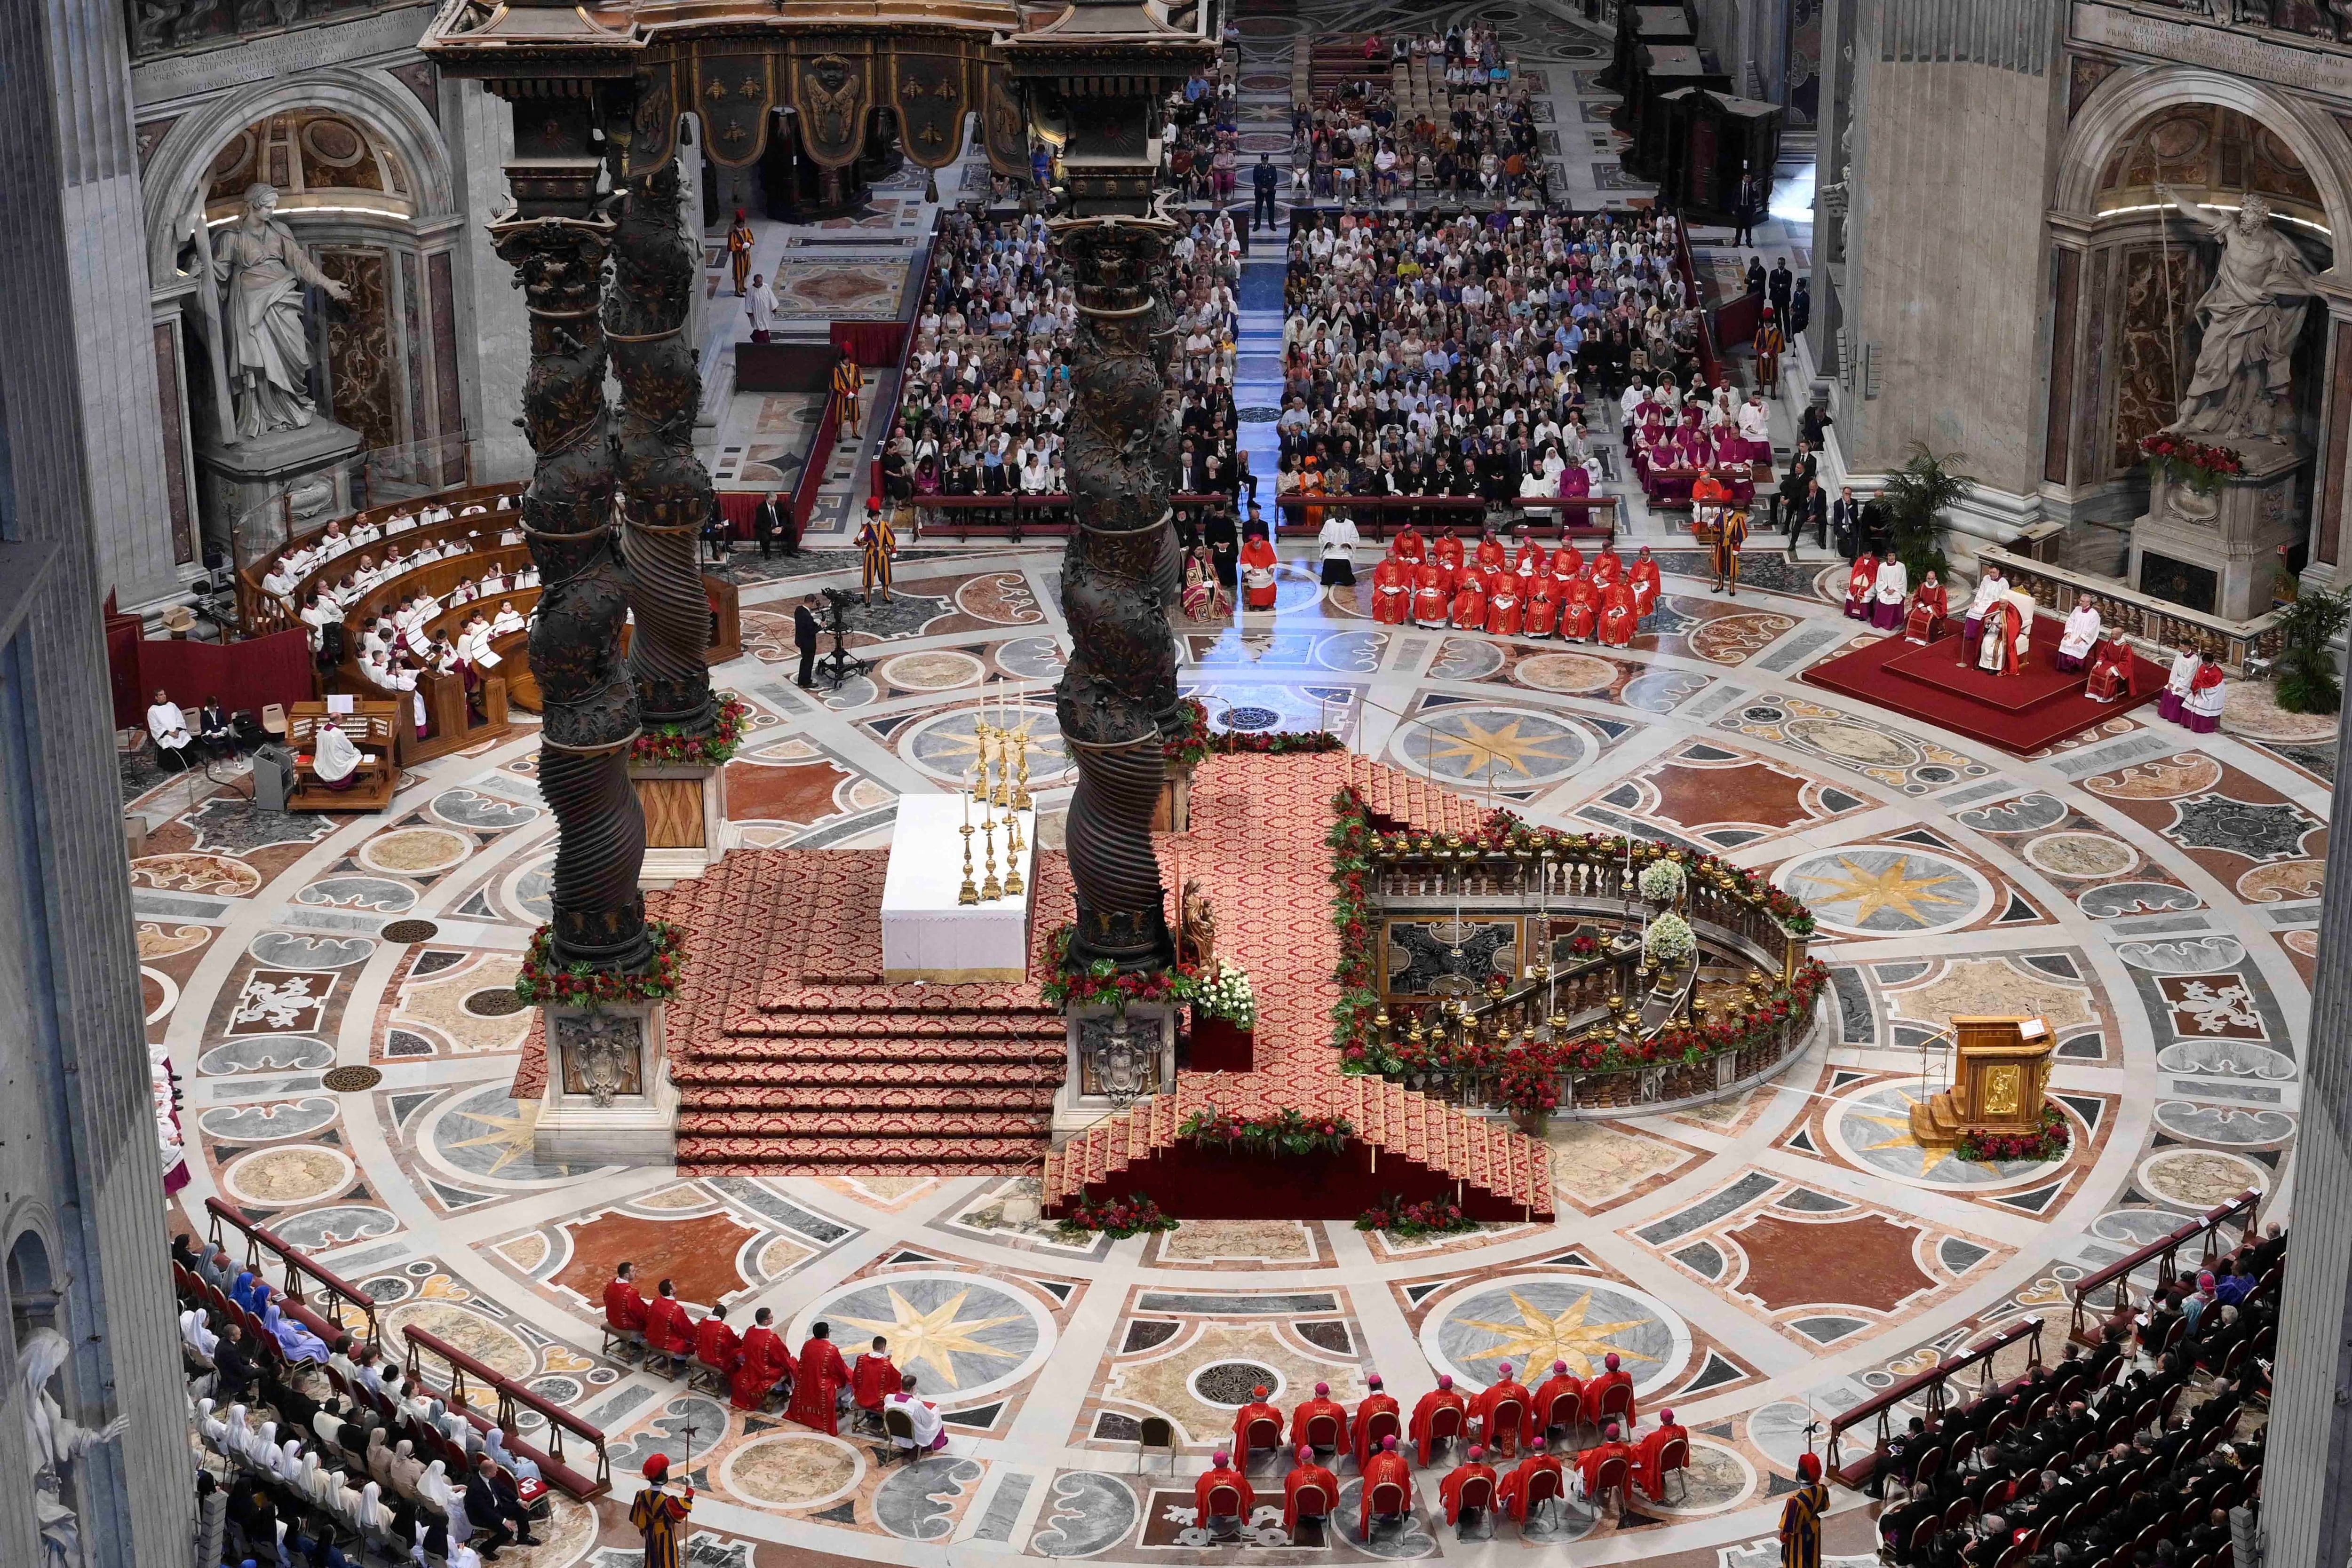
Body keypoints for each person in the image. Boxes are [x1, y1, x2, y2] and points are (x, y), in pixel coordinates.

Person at [464, 1455, 536, 1560]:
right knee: (507, 1532)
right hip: (482, 1516)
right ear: (489, 1473)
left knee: (521, 1510)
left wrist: (519, 1501)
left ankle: (523, 1537)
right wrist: (504, 1521)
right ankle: (485, 1548)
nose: (497, 1471)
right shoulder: (476, 1488)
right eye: (495, 1470)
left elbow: (503, 1489)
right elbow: (485, 1511)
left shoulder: (491, 1477)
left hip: (496, 1507)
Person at [787, 1321, 850, 1435]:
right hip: (823, 1389)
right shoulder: (832, 1350)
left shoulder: (807, 1345)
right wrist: (842, 1382)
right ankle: (845, 1405)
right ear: (827, 1334)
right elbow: (840, 1371)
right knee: (850, 1379)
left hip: (805, 1385)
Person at [631, 1454, 693, 1568]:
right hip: (665, 1533)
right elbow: (683, 1508)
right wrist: (690, 1489)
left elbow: (638, 1518)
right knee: (668, 1559)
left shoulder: (642, 1495)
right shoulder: (667, 1501)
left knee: (652, 1558)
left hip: (650, 1532)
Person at [731, 1307, 795, 1412]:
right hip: (764, 1372)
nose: (773, 1318)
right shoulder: (771, 1338)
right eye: (771, 1317)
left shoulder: (750, 1330)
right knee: (791, 1364)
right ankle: (781, 1389)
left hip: (750, 1367)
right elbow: (782, 1356)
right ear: (766, 1321)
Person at [1470, 1362, 1531, 1458]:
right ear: (1512, 1375)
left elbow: (1480, 1407)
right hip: (1515, 1423)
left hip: (1495, 1425)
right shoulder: (1522, 1391)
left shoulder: (1490, 1393)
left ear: (1498, 1374)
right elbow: (1528, 1408)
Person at [1779, 1451, 1828, 1568]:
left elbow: (1786, 1532)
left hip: (1798, 1545)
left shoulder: (1795, 1502)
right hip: (1814, 1537)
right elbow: (1825, 1507)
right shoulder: (1822, 1491)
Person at [1192, 1448, 1254, 1538]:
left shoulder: (1206, 1478)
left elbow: (1199, 1491)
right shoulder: (1238, 1478)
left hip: (1212, 1510)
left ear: (1213, 1462)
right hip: (1234, 1510)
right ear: (1228, 1462)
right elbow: (1247, 1493)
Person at [1498, 1447, 1565, 1525]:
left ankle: (1510, 1507)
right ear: (1546, 1446)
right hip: (1548, 1492)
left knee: (1510, 1477)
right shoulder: (1555, 1462)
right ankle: (1536, 1502)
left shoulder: (1527, 1465)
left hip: (1530, 1494)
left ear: (1533, 1447)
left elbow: (1519, 1480)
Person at [1281, 1444, 1337, 1536]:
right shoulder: (1325, 1473)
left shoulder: (1293, 1476)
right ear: (1314, 1457)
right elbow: (1333, 1488)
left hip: (1301, 1512)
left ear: (1300, 1458)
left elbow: (1288, 1490)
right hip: (1322, 1512)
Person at [885, 1371, 948, 1453]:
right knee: (936, 1412)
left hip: (895, 1433)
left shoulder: (889, 1398)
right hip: (915, 1435)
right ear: (913, 1388)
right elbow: (928, 1422)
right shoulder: (916, 1404)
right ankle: (939, 1442)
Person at [1632, 1408, 1688, 1498]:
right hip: (1676, 1462)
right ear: (1673, 1417)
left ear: (1661, 1420)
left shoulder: (1655, 1437)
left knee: (1635, 1454)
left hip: (1659, 1467)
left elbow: (1642, 1452)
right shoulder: (1683, 1430)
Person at [1440, 1445, 1499, 1528]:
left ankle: (1447, 1507)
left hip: (1461, 1502)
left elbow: (1450, 1487)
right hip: (1482, 1500)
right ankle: (1481, 1507)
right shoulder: (1490, 1472)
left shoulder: (1459, 1473)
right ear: (1481, 1457)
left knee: (1447, 1481)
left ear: (1468, 1456)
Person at [1350, 1375, 1400, 1471]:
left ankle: (1369, 1449)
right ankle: (1384, 1444)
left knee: (1355, 1426)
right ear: (1382, 1385)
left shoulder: (1365, 1405)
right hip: (1388, 1432)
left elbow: (1360, 1423)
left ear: (1370, 1387)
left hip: (1371, 1436)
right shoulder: (1392, 1402)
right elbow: (1396, 1416)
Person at [1963, 566, 2008, 661]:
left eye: (1994, 572)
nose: (1992, 575)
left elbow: (2003, 597)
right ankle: (1971, 634)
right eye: (1990, 572)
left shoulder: (2004, 583)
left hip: (1993, 604)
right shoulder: (1986, 579)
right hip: (1983, 602)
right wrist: (1976, 601)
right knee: (1973, 611)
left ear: (1999, 572)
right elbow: (1981, 591)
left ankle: (1980, 634)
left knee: (1985, 615)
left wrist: (1994, 607)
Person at [851, 1335, 898, 1427]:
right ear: (883, 1348)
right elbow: (895, 1383)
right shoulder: (887, 1366)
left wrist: (886, 1362)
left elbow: (856, 1378)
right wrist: (887, 1363)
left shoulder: (861, 1359)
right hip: (878, 1403)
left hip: (861, 1398)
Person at [857, 500, 896, 605]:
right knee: (869, 577)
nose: (876, 517)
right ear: (871, 516)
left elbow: (890, 539)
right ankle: (868, 598)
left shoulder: (884, 525)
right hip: (871, 554)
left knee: (886, 576)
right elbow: (860, 543)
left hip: (883, 553)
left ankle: (886, 595)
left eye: (877, 515)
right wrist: (861, 538)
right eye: (874, 516)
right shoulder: (866, 527)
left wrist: (893, 550)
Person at [311, 719, 364, 792]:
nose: (342, 721)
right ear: (337, 720)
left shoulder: (323, 728)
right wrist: (354, 751)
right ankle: (359, 780)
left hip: (323, 756)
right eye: (341, 719)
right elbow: (348, 748)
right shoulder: (338, 733)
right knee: (357, 755)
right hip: (336, 760)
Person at [148, 689, 194, 771]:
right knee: (169, 741)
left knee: (186, 737)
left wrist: (178, 730)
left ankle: (188, 763)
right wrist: (169, 733)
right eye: (161, 695)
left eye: (164, 694)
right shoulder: (152, 711)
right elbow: (155, 727)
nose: (164, 696)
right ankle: (175, 767)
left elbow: (179, 718)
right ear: (156, 698)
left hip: (177, 731)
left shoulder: (172, 705)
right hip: (166, 734)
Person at [2056, 596, 2103, 673]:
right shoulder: (2077, 610)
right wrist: (2068, 632)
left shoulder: (2094, 614)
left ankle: (2074, 667)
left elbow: (2092, 629)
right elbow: (2070, 621)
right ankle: (2063, 666)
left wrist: (2082, 638)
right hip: (2073, 633)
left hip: (2084, 637)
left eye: (2083, 601)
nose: (2080, 602)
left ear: (2088, 603)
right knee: (2066, 642)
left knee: (2077, 645)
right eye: (2080, 600)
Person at [2086, 631, 2136, 702]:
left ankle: (2107, 696)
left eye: (2113, 634)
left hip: (2119, 667)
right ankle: (2094, 693)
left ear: (2119, 635)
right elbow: (2104, 653)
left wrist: (2113, 670)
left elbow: (2126, 662)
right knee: (2095, 670)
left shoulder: (2126, 648)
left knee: (2107, 675)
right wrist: (2099, 662)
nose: (2111, 635)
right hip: (2108, 663)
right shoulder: (2111, 642)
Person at [2160, 641, 2202, 723]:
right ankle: (2165, 714)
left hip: (2187, 683)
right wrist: (2171, 682)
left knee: (2178, 695)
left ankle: (2174, 717)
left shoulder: (2195, 660)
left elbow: (2191, 676)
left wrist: (2182, 686)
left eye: (2181, 647)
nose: (2179, 648)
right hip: (2177, 679)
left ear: (2187, 647)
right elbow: (2174, 669)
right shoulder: (2179, 655)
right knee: (2167, 689)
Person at [1317, 507, 1359, 587]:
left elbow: (1355, 537)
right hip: (1331, 550)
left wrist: (1348, 543)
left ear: (1345, 514)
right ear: (1334, 514)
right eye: (1338, 513)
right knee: (1328, 560)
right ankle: (1328, 580)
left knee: (1345, 561)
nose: (1339, 514)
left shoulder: (1350, 524)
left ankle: (1346, 580)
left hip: (1344, 550)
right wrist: (1327, 543)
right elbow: (1323, 536)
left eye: (1341, 513)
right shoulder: (1329, 523)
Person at [1712, 508, 1749, 597]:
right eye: (1725, 507)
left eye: (1728, 507)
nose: (1726, 509)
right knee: (1719, 563)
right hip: (1721, 543)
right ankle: (1720, 584)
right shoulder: (1720, 516)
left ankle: (1732, 587)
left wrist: (1738, 547)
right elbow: (1715, 529)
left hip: (1732, 544)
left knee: (1731, 565)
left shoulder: (1738, 518)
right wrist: (1712, 525)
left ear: (1731, 507)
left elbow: (1742, 534)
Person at [1240, 527, 1280, 611]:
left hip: (1265, 570)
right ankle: (1255, 603)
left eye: (1258, 543)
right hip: (1252, 571)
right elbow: (1244, 560)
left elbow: (1272, 560)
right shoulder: (1247, 547)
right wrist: (1251, 570)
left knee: (1268, 583)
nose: (1257, 546)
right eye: (1255, 544)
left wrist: (1271, 569)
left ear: (1261, 542)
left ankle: (1266, 603)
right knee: (1257, 581)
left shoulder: (1267, 545)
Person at [2185, 653, 2226, 733]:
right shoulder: (2202, 667)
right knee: (2190, 699)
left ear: (2211, 662)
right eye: (2203, 663)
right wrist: (2195, 687)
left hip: (2210, 694)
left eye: (2206, 664)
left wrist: (2202, 689)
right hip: (2199, 690)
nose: (2204, 665)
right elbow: (2197, 678)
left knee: (2201, 704)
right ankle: (2188, 724)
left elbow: (2214, 687)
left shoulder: (2217, 673)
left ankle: (2201, 727)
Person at [1905, 571, 1949, 645]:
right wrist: (1922, 606)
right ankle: (1912, 637)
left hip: (1933, 610)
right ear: (1926, 578)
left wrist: (1928, 609)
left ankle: (1925, 640)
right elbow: (1917, 598)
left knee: (1928, 620)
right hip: (1922, 607)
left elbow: (1941, 604)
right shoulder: (1923, 586)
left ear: (1935, 578)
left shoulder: (1940, 590)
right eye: (1929, 579)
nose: (1931, 581)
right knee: (1912, 616)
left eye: (1932, 579)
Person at [1870, 554, 1907, 630]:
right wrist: (1886, 589)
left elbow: (1903, 581)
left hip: (1897, 590)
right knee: (1882, 598)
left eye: (1893, 555)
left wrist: (1894, 589)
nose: (1891, 557)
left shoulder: (1901, 566)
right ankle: (1881, 622)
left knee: (1896, 598)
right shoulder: (1882, 567)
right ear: (1887, 556)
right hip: (1885, 590)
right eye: (1890, 556)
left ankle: (1895, 622)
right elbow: (1879, 580)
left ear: (1895, 556)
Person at [1732, 162, 1765, 248]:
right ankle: (1738, 241)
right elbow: (1734, 197)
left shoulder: (1751, 186)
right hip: (1740, 208)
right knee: (1739, 227)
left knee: (1748, 227)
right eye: (1746, 177)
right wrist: (1733, 209)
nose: (1748, 179)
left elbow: (1757, 196)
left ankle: (1749, 241)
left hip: (1748, 209)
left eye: (1749, 178)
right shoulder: (1738, 185)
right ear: (1743, 177)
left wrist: (1755, 189)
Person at [794, 597, 820, 690]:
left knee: (805, 661)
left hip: (801, 640)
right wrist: (821, 626)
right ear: (811, 602)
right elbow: (812, 631)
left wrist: (812, 623)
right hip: (808, 643)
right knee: (808, 662)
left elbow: (804, 625)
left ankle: (802, 680)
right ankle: (805, 682)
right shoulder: (807, 616)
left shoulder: (799, 610)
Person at [726, 210, 755, 296]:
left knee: (746, 270)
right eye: (741, 223)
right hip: (738, 256)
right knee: (739, 272)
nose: (742, 225)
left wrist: (749, 243)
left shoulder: (747, 231)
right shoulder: (733, 234)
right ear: (737, 224)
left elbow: (750, 239)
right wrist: (742, 246)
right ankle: (737, 289)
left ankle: (742, 286)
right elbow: (732, 246)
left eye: (743, 223)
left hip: (746, 255)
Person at [1252, 153, 1281, 231]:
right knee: (1258, 208)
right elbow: (1255, 180)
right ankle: (1257, 225)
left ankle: (1272, 224)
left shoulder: (1272, 168)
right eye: (1263, 160)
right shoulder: (1257, 168)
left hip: (1270, 191)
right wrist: (1261, 188)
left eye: (1266, 160)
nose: (1265, 162)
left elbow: (1275, 180)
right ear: (1261, 160)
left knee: (1271, 208)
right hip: (1259, 191)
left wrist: (1268, 189)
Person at [746, 274, 774, 341]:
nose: (760, 283)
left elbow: (771, 297)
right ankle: (763, 340)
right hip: (756, 312)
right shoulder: (750, 290)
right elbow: (748, 301)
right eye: (758, 282)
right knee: (759, 326)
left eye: (761, 281)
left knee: (765, 325)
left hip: (765, 311)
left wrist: (774, 307)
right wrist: (749, 312)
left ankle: (759, 338)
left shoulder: (766, 287)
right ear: (755, 282)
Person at [754, 494, 780, 559]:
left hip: (779, 527)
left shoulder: (779, 505)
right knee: (765, 536)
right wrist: (771, 530)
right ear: (767, 499)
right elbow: (759, 524)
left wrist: (781, 527)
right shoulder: (761, 508)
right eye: (772, 502)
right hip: (766, 528)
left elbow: (784, 517)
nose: (774, 503)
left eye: (775, 501)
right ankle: (767, 553)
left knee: (793, 528)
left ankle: (792, 551)